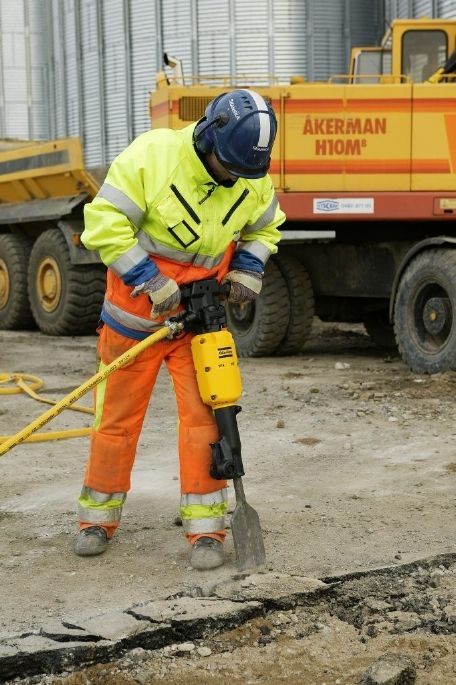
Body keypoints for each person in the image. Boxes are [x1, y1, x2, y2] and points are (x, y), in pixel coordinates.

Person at [75, 88, 285, 569]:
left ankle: (207, 531)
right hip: (136, 318)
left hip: (201, 322)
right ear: (210, 139)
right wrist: (149, 279)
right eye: (229, 168)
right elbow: (102, 222)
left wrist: (248, 268)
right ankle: (96, 519)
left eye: (244, 173)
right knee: (116, 422)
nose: (235, 179)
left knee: (207, 423)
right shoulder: (152, 157)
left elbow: (265, 226)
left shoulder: (249, 175)